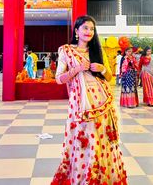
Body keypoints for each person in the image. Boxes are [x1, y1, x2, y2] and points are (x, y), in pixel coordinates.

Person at [52, 15, 127, 184]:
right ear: (77, 30)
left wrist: (101, 68)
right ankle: (81, 178)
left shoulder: (97, 51)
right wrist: (76, 69)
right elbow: (58, 79)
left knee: (99, 140)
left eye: (92, 29)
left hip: (102, 103)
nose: (89, 32)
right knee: (82, 140)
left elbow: (108, 77)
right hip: (80, 105)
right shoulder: (66, 50)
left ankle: (99, 178)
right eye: (85, 28)